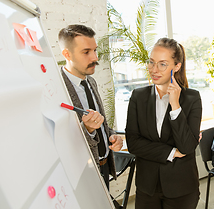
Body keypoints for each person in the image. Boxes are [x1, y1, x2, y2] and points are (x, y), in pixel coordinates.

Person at [125, 38, 202, 209]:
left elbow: (188, 147)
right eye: (151, 62)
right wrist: (171, 152)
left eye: (162, 64)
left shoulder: (192, 98)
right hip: (147, 188)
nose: (154, 70)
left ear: (176, 66)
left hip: (181, 188)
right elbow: (133, 143)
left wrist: (175, 106)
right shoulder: (138, 97)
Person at [58, 24, 123, 190]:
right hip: (81, 174)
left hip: (103, 165)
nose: (94, 57)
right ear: (67, 54)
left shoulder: (90, 81)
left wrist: (113, 135)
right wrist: (87, 129)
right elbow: (59, 139)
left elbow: (100, 123)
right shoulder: (57, 88)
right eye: (86, 52)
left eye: (94, 50)